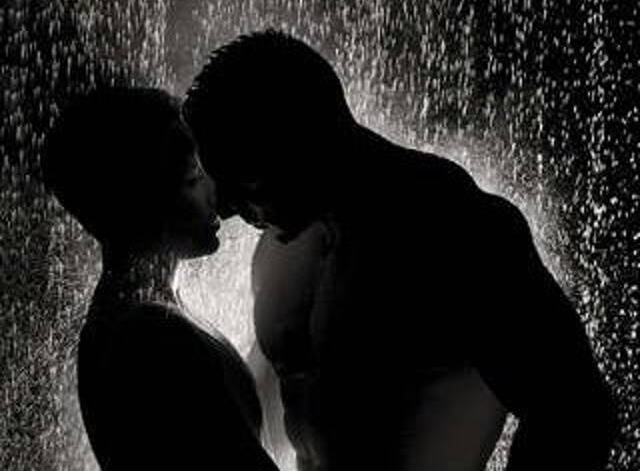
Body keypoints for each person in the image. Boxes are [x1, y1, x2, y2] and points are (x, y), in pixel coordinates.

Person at [184, 30, 618, 471]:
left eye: (245, 178)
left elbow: (577, 412)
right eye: (221, 180)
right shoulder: (281, 243)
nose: (228, 207)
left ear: (300, 139)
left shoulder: (452, 227)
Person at [42, 87, 278, 470]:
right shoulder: (152, 333)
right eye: (192, 179)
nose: (214, 191)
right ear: (143, 200)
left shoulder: (138, 314)